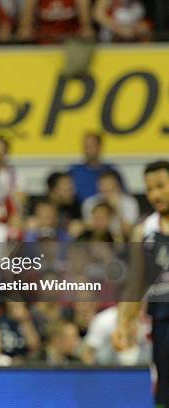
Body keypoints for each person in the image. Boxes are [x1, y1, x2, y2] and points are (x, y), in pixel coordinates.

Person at [114, 160, 169, 408]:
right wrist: (123, 324)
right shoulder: (143, 231)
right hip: (162, 317)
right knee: (164, 390)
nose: (155, 194)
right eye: (150, 189)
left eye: (161, 186)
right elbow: (135, 285)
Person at [69, 131, 122, 202]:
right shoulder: (74, 171)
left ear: (100, 147)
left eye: (92, 146)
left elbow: (122, 196)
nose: (89, 150)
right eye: (86, 146)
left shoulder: (111, 171)